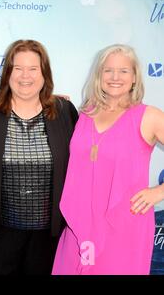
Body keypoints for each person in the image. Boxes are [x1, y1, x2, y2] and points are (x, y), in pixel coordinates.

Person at [52, 44, 164, 275]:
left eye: (123, 71)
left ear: (134, 77)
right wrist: (47, 100)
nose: (115, 77)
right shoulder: (85, 113)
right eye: (108, 70)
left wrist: (159, 192)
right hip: (78, 221)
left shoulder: (149, 116)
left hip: (125, 224)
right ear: (99, 75)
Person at [0, 40, 78, 275]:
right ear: (7, 73)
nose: (25, 76)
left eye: (33, 69)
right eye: (17, 68)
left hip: (48, 236)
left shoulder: (64, 112)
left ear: (45, 74)